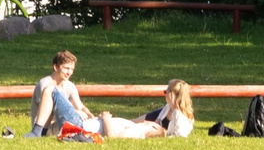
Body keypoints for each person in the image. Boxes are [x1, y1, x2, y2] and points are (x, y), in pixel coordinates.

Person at [30, 51, 164, 139]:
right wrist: (78, 113)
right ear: (55, 67)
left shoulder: (69, 85)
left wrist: (91, 116)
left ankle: (39, 133)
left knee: (79, 112)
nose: (69, 72)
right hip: (50, 125)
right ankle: (38, 132)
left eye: (72, 69)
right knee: (50, 90)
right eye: (66, 68)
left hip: (72, 123)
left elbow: (81, 107)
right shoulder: (45, 83)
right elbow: (47, 112)